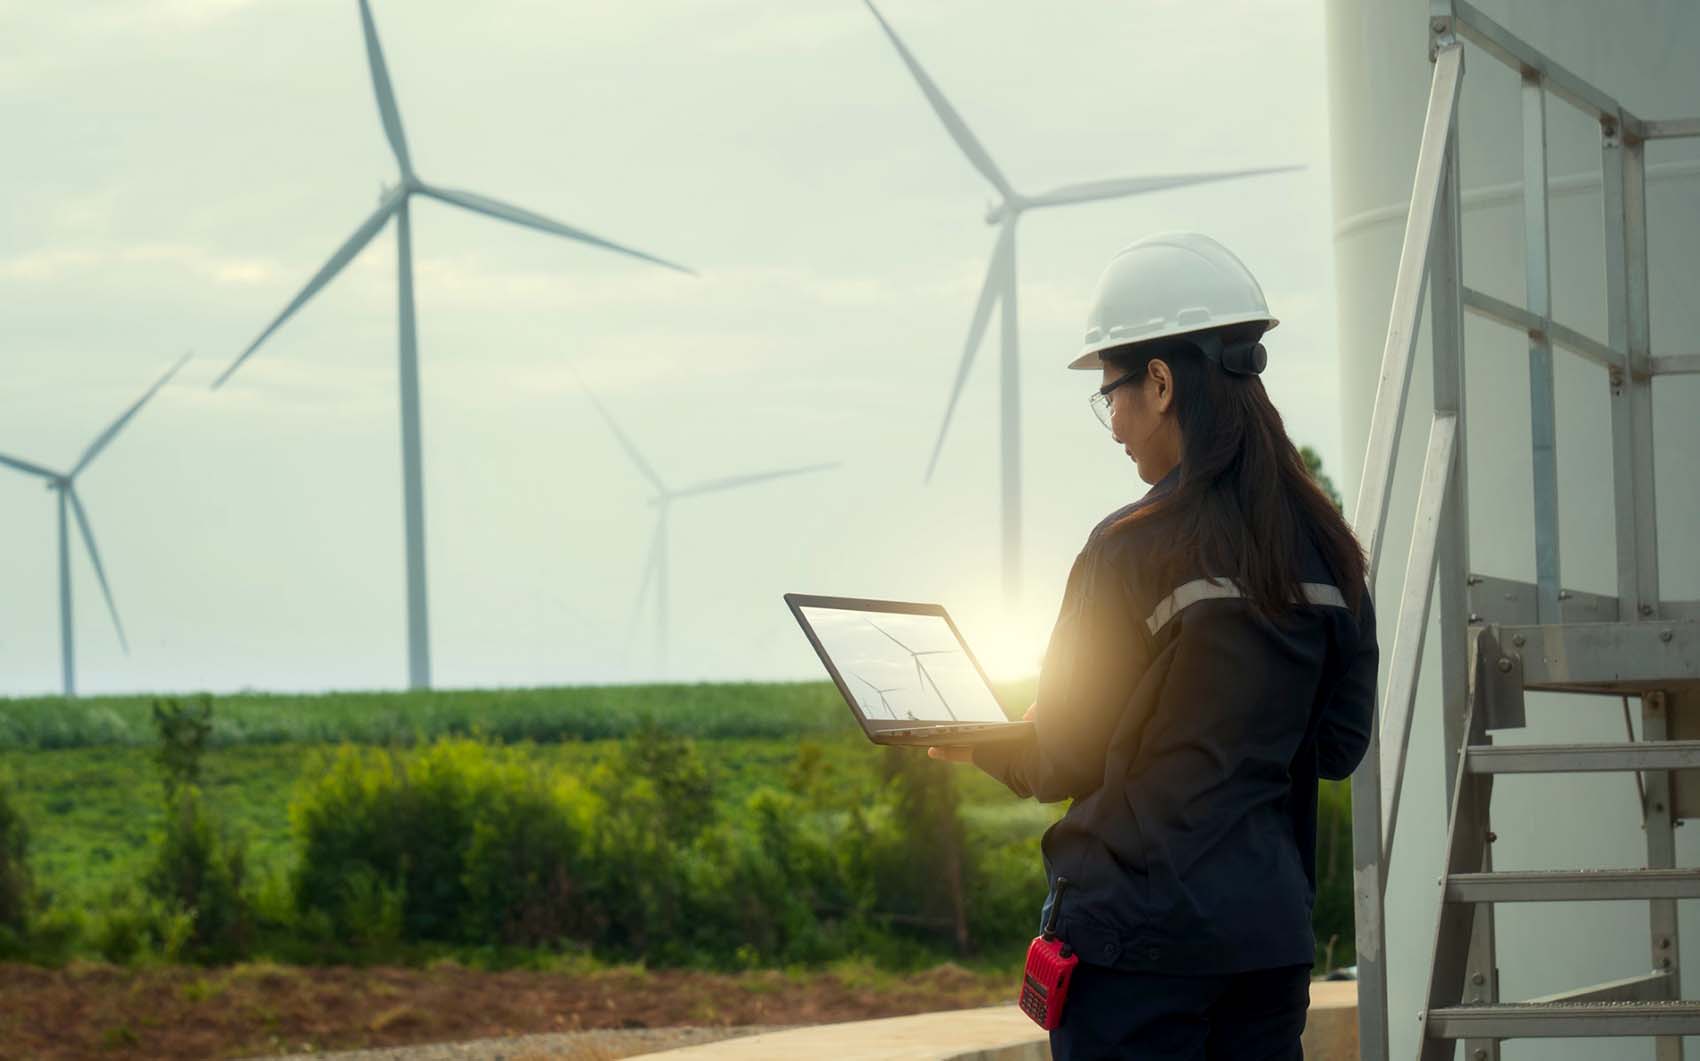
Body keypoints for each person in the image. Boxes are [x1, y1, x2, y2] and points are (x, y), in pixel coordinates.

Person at [928, 233, 1377, 1060]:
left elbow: (1061, 756)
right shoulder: (1329, 551)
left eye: (1112, 396)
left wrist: (977, 739)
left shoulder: (1129, 550)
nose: (1115, 427)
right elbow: (1340, 746)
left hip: (1135, 949)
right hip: (1267, 947)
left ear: (1162, 383)